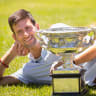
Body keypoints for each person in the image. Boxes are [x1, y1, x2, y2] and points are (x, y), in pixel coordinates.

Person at [0, 9, 63, 85]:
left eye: (28, 28)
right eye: (19, 31)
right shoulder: (29, 71)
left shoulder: (56, 33)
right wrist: (10, 54)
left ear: (37, 27)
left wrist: (74, 62)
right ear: (15, 37)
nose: (25, 34)